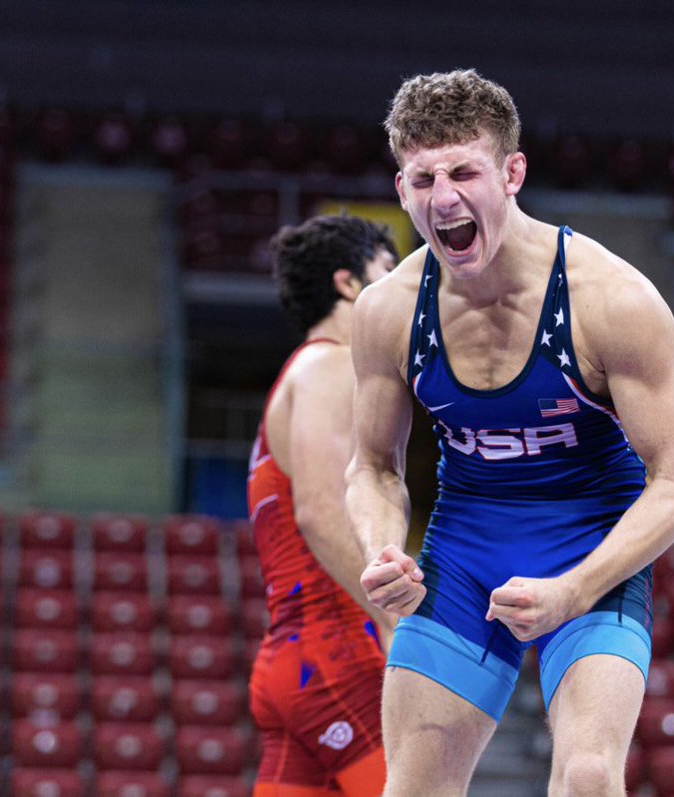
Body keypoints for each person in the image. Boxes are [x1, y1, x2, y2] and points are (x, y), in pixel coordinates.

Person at [344, 69, 674, 797]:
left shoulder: (612, 300)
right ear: (401, 189)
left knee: (588, 776)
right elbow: (373, 467)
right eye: (424, 179)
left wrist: (575, 589)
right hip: (464, 552)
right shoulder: (387, 311)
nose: (443, 198)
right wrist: (382, 547)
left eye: (463, 173)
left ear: (512, 174)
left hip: (590, 548)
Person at [247, 214, 399, 797]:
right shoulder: (330, 365)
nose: (403, 288)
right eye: (387, 269)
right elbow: (319, 512)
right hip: (335, 654)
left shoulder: (302, 373)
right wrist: (394, 617)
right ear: (347, 283)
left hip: (297, 658)